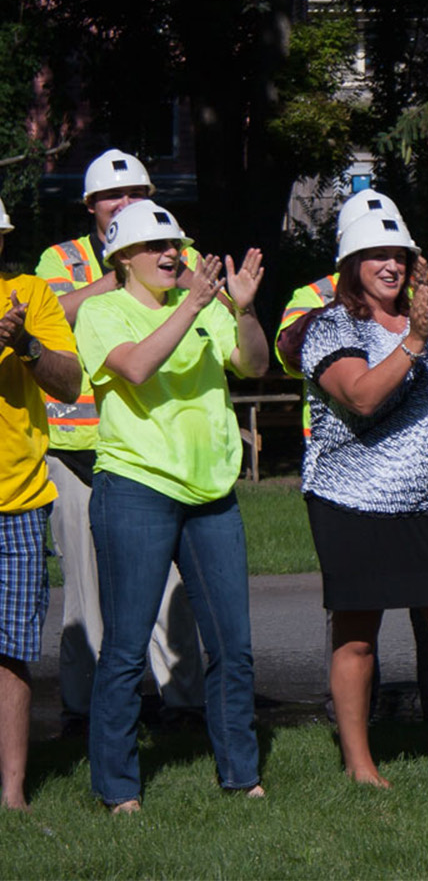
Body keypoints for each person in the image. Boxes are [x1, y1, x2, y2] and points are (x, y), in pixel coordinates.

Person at [73, 201, 268, 811]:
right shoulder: (103, 312)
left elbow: (254, 364)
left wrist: (245, 307)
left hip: (212, 491)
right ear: (122, 257)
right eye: (156, 246)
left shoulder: (209, 310)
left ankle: (241, 775)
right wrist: (193, 305)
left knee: (232, 645)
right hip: (135, 488)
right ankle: (117, 788)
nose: (170, 254)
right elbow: (134, 368)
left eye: (176, 246)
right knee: (127, 647)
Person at [299, 210, 428, 786]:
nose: (390, 265)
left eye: (400, 256)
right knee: (358, 634)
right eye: (376, 255)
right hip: (349, 500)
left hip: (425, 498)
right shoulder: (331, 327)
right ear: (351, 266)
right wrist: (416, 336)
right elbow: (362, 397)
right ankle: (361, 765)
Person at [34, 149, 204, 735]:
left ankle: (182, 700)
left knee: (169, 585)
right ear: (90, 206)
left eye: (136, 193)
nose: (125, 203)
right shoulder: (62, 259)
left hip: (153, 445)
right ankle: (86, 708)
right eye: (113, 195)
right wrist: (115, 276)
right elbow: (46, 315)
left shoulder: (173, 247)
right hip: (75, 447)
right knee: (85, 587)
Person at [0, 199, 82, 809]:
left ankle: (14, 794)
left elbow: (68, 383)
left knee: (11, 653)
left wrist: (25, 342)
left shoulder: (29, 294)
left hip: (20, 501)